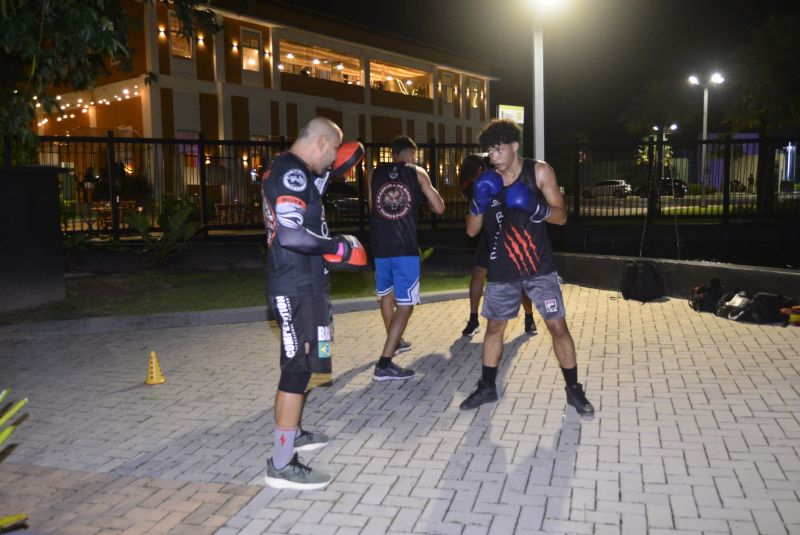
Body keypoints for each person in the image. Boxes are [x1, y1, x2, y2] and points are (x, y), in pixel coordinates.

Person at [460, 119, 594, 416]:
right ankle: (487, 386)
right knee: (495, 327)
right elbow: (471, 231)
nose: (493, 155)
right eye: (489, 150)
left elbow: (561, 217)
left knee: (557, 326)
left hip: (539, 267)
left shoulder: (540, 172)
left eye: (498, 149)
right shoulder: (487, 181)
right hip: (501, 269)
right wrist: (478, 202)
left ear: (515, 146)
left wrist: (536, 207)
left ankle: (574, 389)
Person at [261, 117, 367, 490]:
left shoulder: (295, 171)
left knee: (308, 363)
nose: (336, 159)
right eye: (334, 151)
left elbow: (304, 213)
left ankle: (295, 433)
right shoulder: (291, 173)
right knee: (296, 370)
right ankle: (282, 462)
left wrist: (324, 178)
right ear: (321, 143)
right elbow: (290, 233)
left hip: (308, 285)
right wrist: (337, 246)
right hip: (295, 287)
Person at [368, 135, 445, 381]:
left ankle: (396, 341)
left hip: (380, 245)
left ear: (393, 153)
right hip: (404, 248)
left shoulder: (374, 173)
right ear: (411, 154)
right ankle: (385, 363)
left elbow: (373, 206)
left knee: (386, 295)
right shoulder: (417, 172)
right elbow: (440, 207)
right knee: (406, 305)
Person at [459, 154, 537, 338]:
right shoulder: (478, 188)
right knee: (478, 273)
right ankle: (473, 319)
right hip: (489, 236)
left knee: (519, 280)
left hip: (509, 237)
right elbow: (472, 222)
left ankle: (529, 316)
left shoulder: (507, 181)